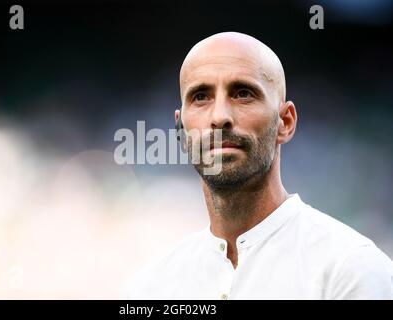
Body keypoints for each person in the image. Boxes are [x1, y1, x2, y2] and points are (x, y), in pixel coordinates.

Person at [127, 32, 393, 299]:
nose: (220, 117)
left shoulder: (351, 272)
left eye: (243, 94)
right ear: (180, 130)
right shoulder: (152, 288)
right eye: (200, 97)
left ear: (285, 122)